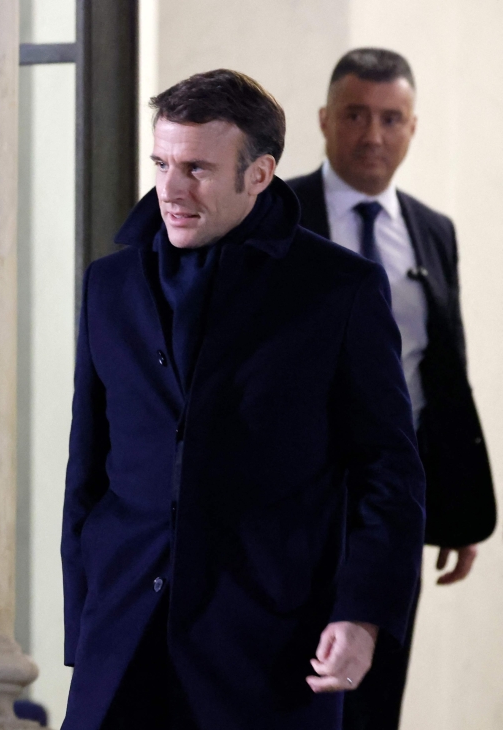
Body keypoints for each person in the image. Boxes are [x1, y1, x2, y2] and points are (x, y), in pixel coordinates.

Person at [61, 69, 426, 730]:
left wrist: (362, 612)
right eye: (162, 163)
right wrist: (82, 621)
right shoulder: (109, 283)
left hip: (269, 644)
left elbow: (389, 473)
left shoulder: (338, 291)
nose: (169, 189)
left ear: (259, 174)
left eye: (196, 168)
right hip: (120, 633)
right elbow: (87, 463)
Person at [287, 48, 497, 730]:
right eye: (355, 115)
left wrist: (458, 501)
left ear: (412, 127)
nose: (372, 135)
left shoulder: (432, 231)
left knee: (376, 699)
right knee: (292, 691)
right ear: (323, 120)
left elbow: (443, 369)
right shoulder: (273, 213)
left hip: (392, 502)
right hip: (288, 502)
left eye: (390, 118)